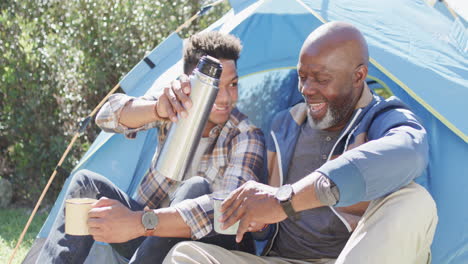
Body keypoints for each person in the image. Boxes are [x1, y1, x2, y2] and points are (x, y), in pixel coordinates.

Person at [163, 22, 438, 264]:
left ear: (358, 76)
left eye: (321, 79)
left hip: (350, 257)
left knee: (416, 200)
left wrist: (287, 199)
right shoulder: (285, 126)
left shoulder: (382, 118)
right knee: (186, 256)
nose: (307, 89)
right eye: (302, 77)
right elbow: (260, 215)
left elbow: (410, 152)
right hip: (283, 260)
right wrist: (258, 219)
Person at [36, 31, 265, 264]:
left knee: (195, 188)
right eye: (215, 87)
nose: (226, 97)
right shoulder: (175, 107)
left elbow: (230, 213)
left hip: (212, 244)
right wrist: (157, 109)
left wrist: (143, 223)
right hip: (146, 231)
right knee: (86, 184)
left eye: (233, 84)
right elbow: (106, 117)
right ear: (190, 82)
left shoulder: (245, 135)